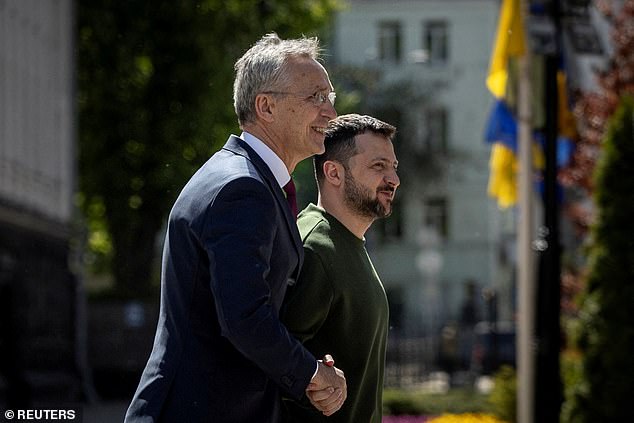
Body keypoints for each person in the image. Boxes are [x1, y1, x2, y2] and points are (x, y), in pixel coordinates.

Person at [125, 33, 346, 423]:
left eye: (330, 98)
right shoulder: (242, 189)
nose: (330, 113)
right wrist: (312, 373)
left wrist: (308, 365)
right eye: (316, 98)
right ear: (266, 106)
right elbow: (244, 318)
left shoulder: (245, 178)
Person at [281, 114, 400, 422]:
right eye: (378, 166)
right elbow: (271, 364)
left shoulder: (347, 242)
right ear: (333, 172)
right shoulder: (316, 248)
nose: (394, 179)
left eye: (393, 167)